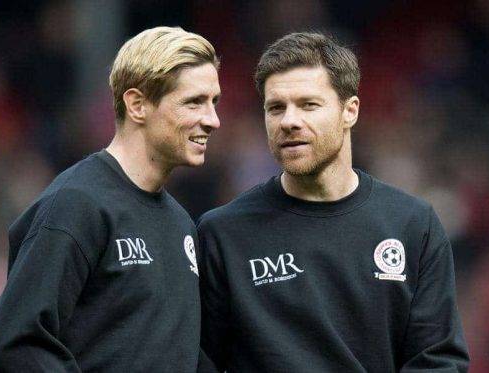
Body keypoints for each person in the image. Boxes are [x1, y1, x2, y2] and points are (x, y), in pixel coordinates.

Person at [197, 32, 469, 372]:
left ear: (349, 111)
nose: (289, 121)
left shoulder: (414, 225)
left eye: (308, 104)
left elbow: (438, 362)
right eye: (275, 108)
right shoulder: (222, 233)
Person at [0, 26, 221, 372]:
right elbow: (17, 341)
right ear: (137, 104)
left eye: (214, 102)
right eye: (194, 102)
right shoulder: (76, 205)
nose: (212, 120)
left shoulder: (182, 223)